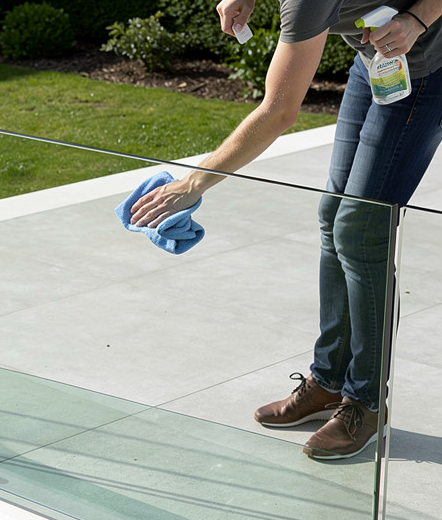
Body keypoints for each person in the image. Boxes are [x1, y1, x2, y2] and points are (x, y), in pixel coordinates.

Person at [130, 0, 442, 460]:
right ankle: (330, 381)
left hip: (426, 71)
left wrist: (196, 181)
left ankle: (367, 403)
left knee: (360, 230)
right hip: (377, 62)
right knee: (332, 215)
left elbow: (280, 112)